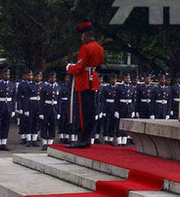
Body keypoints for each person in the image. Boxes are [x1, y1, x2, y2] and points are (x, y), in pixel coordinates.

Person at [66, 21, 105, 149]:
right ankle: (88, 138)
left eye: (82, 36)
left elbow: (79, 68)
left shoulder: (86, 48)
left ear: (85, 35)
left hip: (83, 81)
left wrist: (69, 67)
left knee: (82, 112)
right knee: (90, 111)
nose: (81, 38)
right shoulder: (99, 48)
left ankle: (81, 138)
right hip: (92, 80)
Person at [39, 72, 61, 150]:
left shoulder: (57, 87)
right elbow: (41, 100)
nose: (53, 79)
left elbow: (59, 100)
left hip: (54, 108)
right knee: (44, 125)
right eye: (52, 77)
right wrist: (41, 112)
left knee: (53, 125)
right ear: (49, 78)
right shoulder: (44, 87)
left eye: (54, 78)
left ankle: (50, 142)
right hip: (46, 108)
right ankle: (44, 142)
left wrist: (59, 112)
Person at [114, 73, 135, 147]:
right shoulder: (119, 88)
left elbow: (133, 100)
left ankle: (124, 141)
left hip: (128, 108)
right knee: (119, 125)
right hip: (121, 107)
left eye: (129, 78)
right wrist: (116, 110)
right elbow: (116, 99)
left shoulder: (132, 87)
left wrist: (133, 110)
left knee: (127, 125)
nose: (128, 80)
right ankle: (119, 141)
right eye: (126, 78)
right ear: (123, 79)